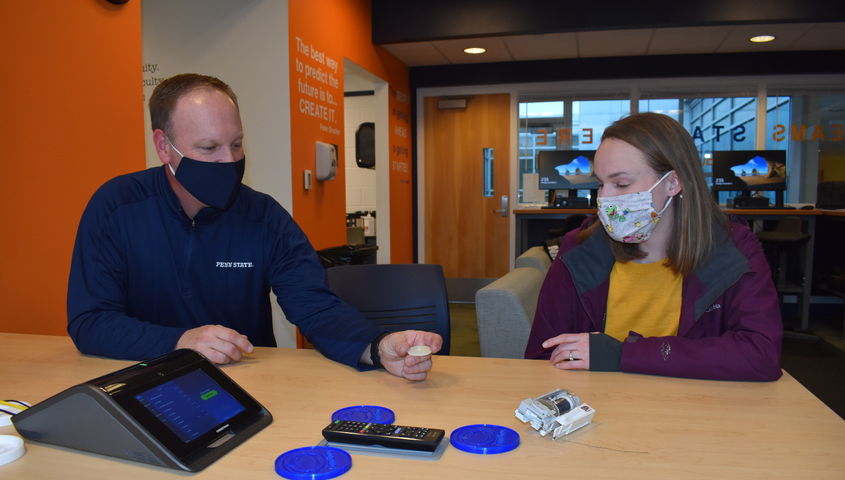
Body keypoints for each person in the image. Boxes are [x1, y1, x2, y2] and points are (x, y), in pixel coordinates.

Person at [67, 73, 441, 380]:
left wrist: (375, 347)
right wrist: (179, 340)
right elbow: (91, 322)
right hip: (147, 382)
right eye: (209, 148)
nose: (229, 160)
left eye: (237, 144)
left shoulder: (263, 217)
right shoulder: (116, 206)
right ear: (164, 147)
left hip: (248, 382)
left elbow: (314, 306)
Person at [525, 112, 782, 381]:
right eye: (601, 184)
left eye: (621, 183)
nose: (604, 199)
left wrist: (621, 354)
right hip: (597, 410)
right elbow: (542, 357)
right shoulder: (578, 251)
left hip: (697, 410)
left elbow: (761, 354)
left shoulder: (733, 249)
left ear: (673, 182)